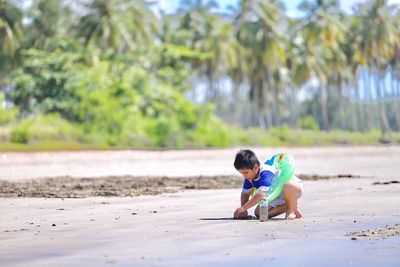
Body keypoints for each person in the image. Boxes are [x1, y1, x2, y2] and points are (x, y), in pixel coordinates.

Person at [233, 149, 303, 220]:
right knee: (260, 214)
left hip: (292, 188)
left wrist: (243, 208)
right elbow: (245, 193)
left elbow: (261, 193)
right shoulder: (249, 178)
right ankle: (290, 206)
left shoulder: (266, 172)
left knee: (288, 186)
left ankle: (290, 210)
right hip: (275, 194)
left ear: (255, 168)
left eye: (245, 172)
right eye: (241, 173)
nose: (244, 176)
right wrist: (244, 211)